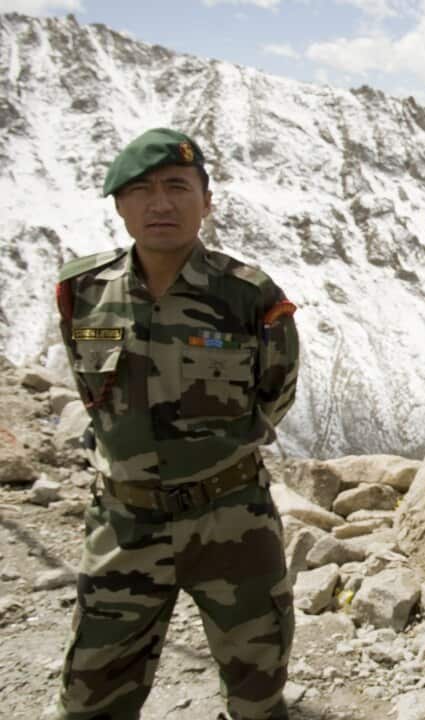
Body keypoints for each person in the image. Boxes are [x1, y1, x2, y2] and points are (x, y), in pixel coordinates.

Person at [53, 128, 300, 720]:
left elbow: (275, 394)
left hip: (231, 521)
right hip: (123, 524)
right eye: (141, 190)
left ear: (206, 201)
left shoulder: (247, 295)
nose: (159, 204)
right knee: (91, 696)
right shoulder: (84, 290)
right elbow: (93, 393)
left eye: (176, 187)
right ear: (118, 204)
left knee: (256, 697)